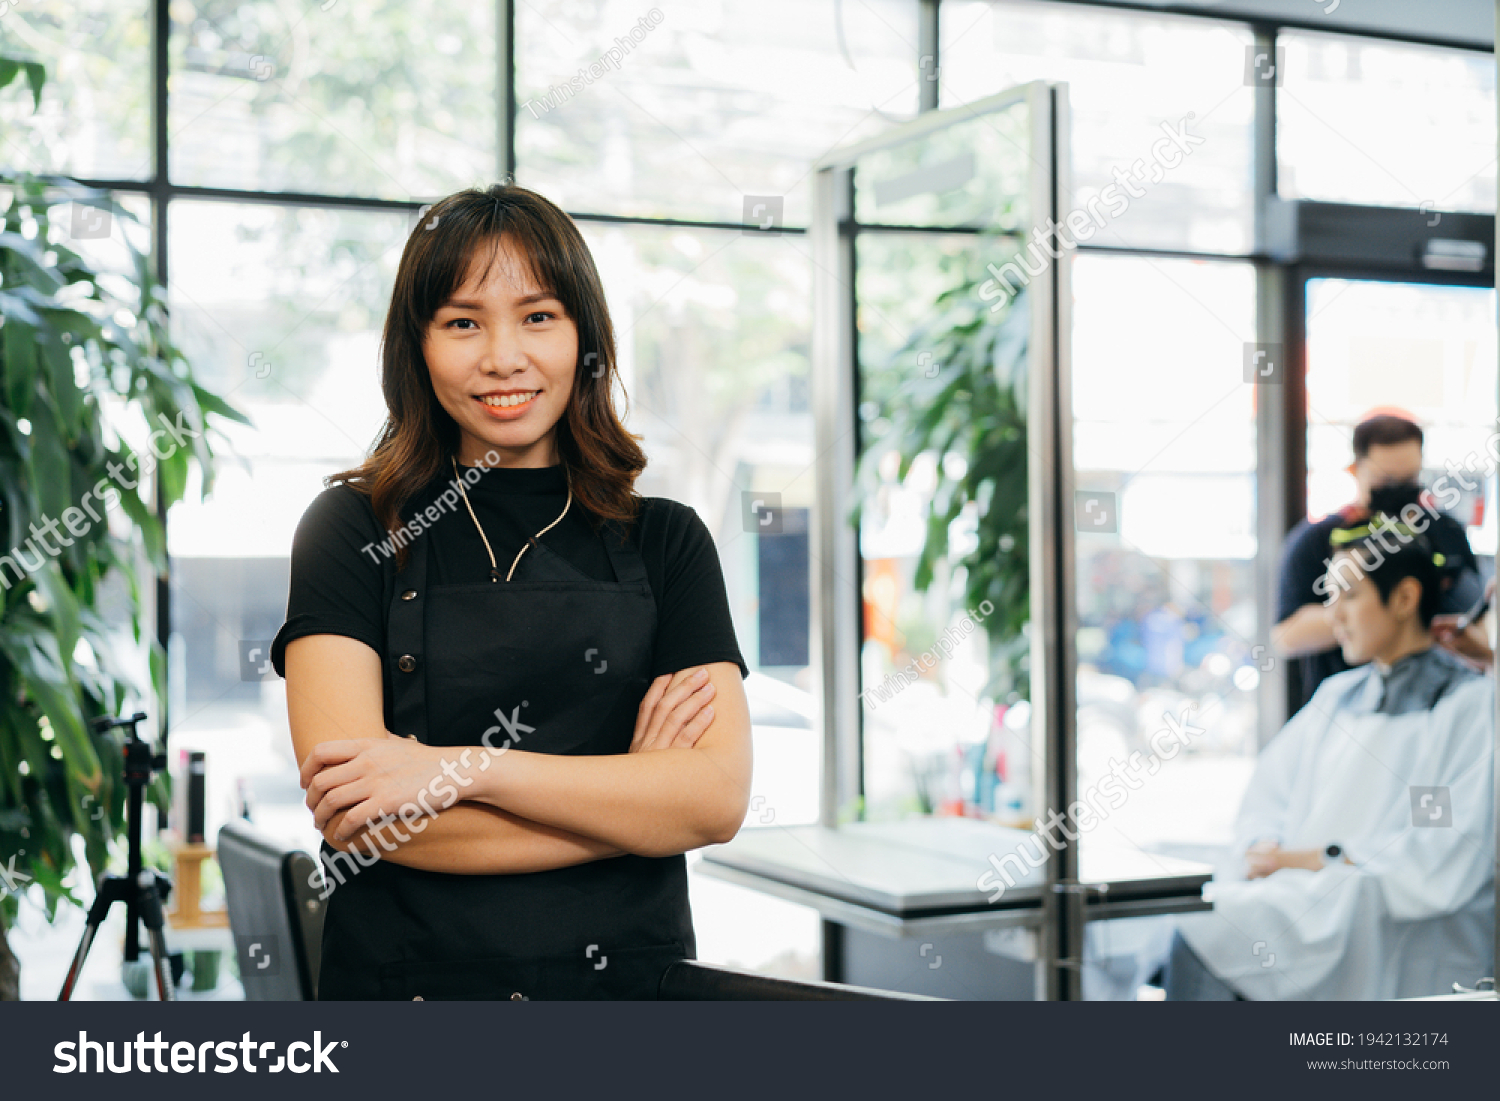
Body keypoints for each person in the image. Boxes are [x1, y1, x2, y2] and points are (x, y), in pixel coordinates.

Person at [270, 183, 754, 1000]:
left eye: (538, 316)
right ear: (417, 346)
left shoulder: (668, 541)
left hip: (629, 1003)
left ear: (584, 337)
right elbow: (369, 820)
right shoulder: (350, 527)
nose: (503, 357)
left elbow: (713, 800)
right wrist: (633, 803)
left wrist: (460, 770)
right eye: (463, 322)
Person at [1159, 511, 1495, 999]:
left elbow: (1437, 850)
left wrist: (1307, 859)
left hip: (1384, 912)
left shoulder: (1462, 705)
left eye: (1349, 595)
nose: (1333, 615)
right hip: (1312, 892)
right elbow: (1269, 796)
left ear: (1404, 598)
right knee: (1200, 918)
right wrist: (1265, 843)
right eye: (1330, 596)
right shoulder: (1337, 696)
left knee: (1206, 933)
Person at [1273, 411, 1490, 712]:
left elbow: (1479, 619)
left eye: (1409, 480)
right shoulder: (1316, 542)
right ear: (1354, 469)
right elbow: (1285, 637)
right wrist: (1373, 610)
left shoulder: (1447, 532)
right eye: (1386, 480)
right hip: (1349, 713)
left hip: (1438, 701)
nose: (1399, 490)